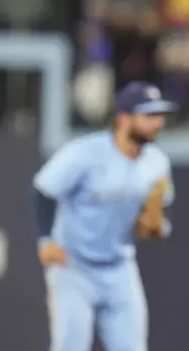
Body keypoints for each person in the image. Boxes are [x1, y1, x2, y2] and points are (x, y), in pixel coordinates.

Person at [33, 82, 177, 351]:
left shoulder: (156, 163)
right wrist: (45, 240)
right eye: (149, 116)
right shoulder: (86, 152)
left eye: (160, 116)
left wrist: (155, 226)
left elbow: (152, 220)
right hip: (74, 266)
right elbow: (45, 189)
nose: (157, 123)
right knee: (70, 346)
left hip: (120, 267)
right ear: (124, 118)